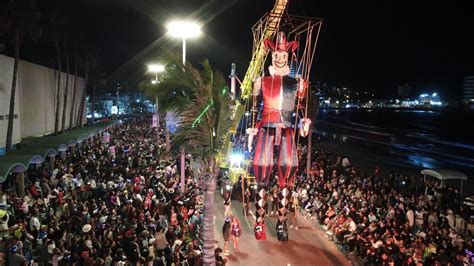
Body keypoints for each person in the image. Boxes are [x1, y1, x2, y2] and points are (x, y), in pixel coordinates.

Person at [246, 31, 310, 240]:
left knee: (288, 172)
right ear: (272, 55)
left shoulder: (296, 83)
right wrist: (252, 128)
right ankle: (259, 222)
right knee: (262, 173)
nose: (280, 57)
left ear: (288, 56)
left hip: (288, 129)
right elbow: (255, 108)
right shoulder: (261, 81)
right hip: (266, 127)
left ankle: (282, 224)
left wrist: (304, 124)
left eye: (283, 54)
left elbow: (300, 109)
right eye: (276, 54)